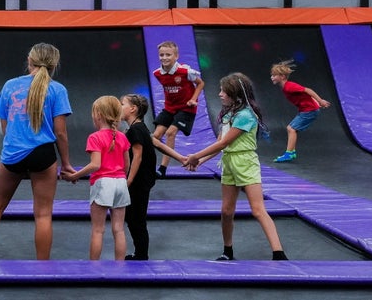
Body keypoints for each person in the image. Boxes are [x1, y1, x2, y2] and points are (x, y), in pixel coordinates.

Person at [0, 43, 74, 260]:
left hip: (13, 153)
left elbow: (5, 127)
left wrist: (17, 148)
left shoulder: (10, 86)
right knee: (43, 214)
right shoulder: (57, 89)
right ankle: (42, 267)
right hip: (43, 154)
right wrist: (67, 163)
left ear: (29, 60)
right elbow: (60, 133)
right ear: (54, 64)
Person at [184, 73, 288, 261]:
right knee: (226, 211)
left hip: (245, 162)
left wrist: (195, 156)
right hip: (229, 163)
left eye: (224, 91)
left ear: (236, 94)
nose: (220, 94)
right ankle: (227, 251)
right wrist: (200, 161)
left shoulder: (247, 115)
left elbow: (224, 143)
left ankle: (279, 253)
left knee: (257, 209)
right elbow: (220, 143)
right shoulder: (228, 114)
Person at [61, 96, 131, 260]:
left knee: (98, 229)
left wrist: (74, 176)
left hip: (103, 183)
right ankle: (120, 266)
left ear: (98, 115)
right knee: (119, 229)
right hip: (121, 182)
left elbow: (95, 165)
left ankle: (94, 266)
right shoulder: (122, 136)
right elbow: (126, 164)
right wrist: (121, 177)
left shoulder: (95, 137)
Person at [120, 94, 187, 261]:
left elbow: (138, 157)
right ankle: (140, 252)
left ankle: (141, 254)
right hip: (143, 180)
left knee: (136, 218)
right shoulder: (140, 127)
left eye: (122, 104)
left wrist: (128, 181)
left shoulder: (135, 129)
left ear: (133, 109)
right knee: (133, 217)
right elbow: (158, 144)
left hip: (138, 181)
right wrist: (181, 158)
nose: (119, 107)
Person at [152, 40, 204, 178]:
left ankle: (163, 168)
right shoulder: (157, 74)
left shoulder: (185, 71)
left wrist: (193, 99)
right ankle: (148, 164)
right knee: (154, 137)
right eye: (161, 55)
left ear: (176, 56)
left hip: (186, 108)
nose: (164, 58)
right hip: (169, 108)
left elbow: (200, 83)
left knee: (170, 133)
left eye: (168, 55)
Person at [270, 59, 331, 162]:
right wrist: (316, 102)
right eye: (272, 75)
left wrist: (320, 101)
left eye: (274, 75)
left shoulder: (289, 86)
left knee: (291, 129)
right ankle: (291, 152)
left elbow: (308, 90)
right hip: (307, 110)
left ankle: (289, 153)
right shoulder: (286, 87)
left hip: (309, 111)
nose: (272, 77)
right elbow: (304, 95)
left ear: (282, 77)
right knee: (291, 128)